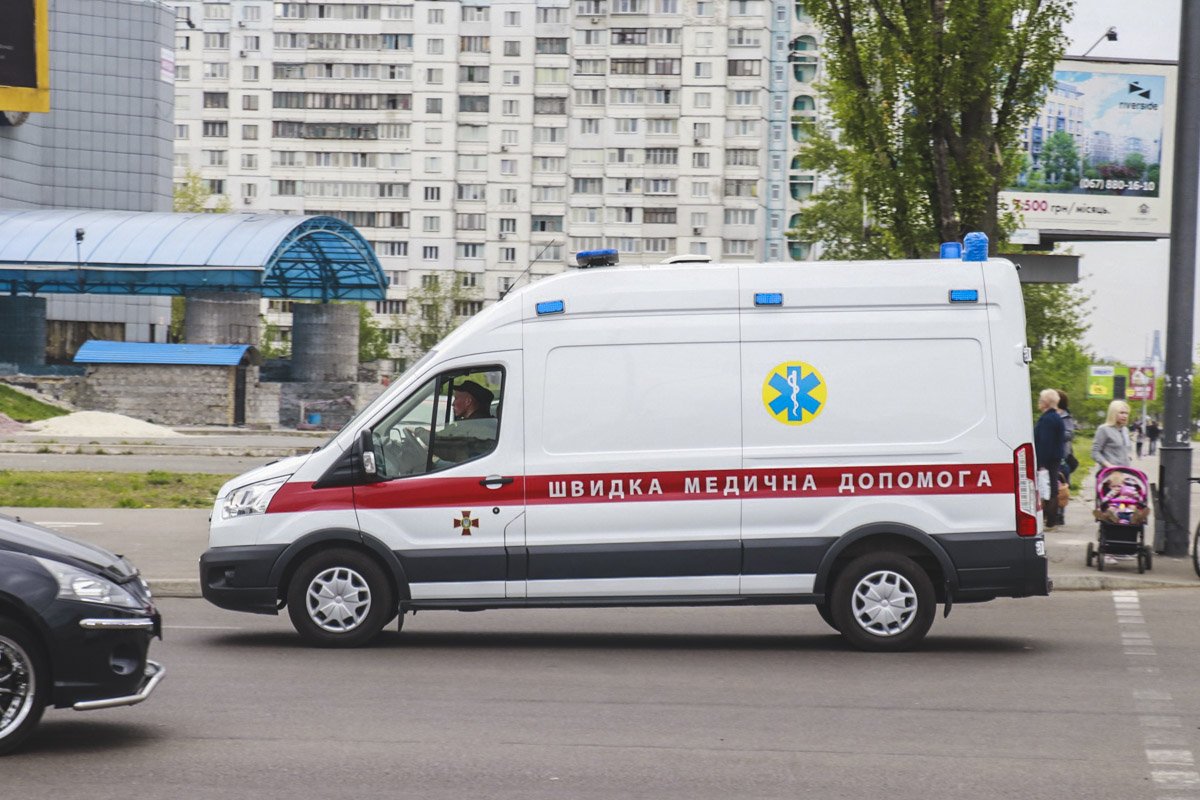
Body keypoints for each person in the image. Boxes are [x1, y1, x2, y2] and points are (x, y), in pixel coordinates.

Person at [1034, 389, 1065, 529]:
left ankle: (1050, 520)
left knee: (1048, 489)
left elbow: (1045, 442)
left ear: (1046, 402)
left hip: (1048, 460)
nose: (1039, 402)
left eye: (1041, 400)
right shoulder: (1056, 417)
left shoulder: (1047, 419)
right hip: (1054, 458)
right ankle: (1051, 519)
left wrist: (1041, 463)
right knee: (1051, 487)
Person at [1091, 400, 1132, 469]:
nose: (1125, 416)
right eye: (1121, 413)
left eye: (1126, 413)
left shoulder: (1125, 430)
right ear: (1113, 413)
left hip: (1124, 470)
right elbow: (1095, 452)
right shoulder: (1104, 429)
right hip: (1110, 471)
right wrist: (1108, 465)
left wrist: (1127, 457)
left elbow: (1125, 448)